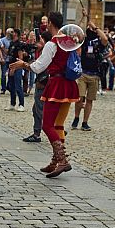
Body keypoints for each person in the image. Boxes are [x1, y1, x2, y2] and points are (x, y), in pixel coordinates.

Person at [10, 12, 80, 178]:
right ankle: (56, 160)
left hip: (56, 84)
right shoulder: (69, 41)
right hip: (69, 84)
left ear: (50, 24)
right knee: (58, 125)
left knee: (47, 125)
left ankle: (62, 159)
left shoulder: (52, 43)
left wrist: (23, 64)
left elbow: (38, 67)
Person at [71, 24, 108, 131]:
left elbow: (105, 38)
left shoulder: (99, 43)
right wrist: (84, 20)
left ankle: (85, 122)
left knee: (89, 100)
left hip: (95, 74)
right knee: (79, 98)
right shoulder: (85, 41)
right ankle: (76, 117)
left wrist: (96, 27)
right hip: (83, 73)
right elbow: (76, 33)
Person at [22, 30, 53, 143]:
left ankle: (49, 131)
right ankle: (40, 131)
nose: (36, 43)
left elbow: (41, 67)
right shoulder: (42, 51)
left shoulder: (46, 51)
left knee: (40, 110)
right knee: (37, 109)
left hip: (43, 83)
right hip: (43, 83)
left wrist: (25, 65)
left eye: (39, 40)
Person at [5, 29, 26, 112]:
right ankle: (12, 103)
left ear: (16, 34)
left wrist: (15, 68)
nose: (11, 33)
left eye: (13, 32)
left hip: (17, 67)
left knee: (18, 86)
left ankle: (21, 104)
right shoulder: (11, 43)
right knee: (11, 86)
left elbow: (20, 57)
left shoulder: (19, 44)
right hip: (11, 66)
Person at [0, 29, 11, 94]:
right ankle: (3, 88)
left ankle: (8, 86)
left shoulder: (13, 40)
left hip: (11, 59)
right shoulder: (2, 40)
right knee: (3, 74)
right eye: (10, 33)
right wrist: (1, 58)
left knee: (10, 74)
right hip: (4, 59)